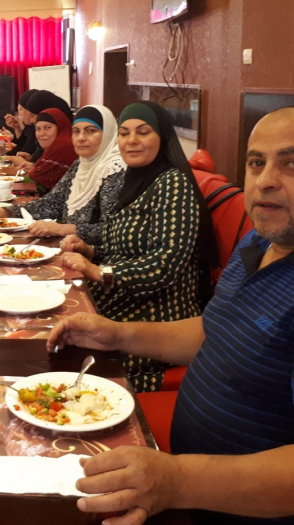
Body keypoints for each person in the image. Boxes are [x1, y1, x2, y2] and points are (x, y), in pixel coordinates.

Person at [47, 105, 294, 525]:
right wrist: (116, 334)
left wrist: (174, 481)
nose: (266, 181)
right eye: (256, 163)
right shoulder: (265, 241)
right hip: (197, 488)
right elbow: (214, 332)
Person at [55, 102, 217, 392]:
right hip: (121, 298)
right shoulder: (133, 180)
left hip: (159, 313)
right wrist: (90, 251)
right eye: (124, 133)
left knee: (70, 359)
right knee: (53, 324)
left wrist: (100, 271)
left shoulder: (173, 183)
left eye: (143, 132)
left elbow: (166, 264)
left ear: (162, 138)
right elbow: (123, 247)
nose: (131, 140)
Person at [0, 105, 126, 244]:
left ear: (108, 133)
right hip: (69, 247)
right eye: (76, 131)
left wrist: (61, 229)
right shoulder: (80, 164)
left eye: (91, 131)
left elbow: (113, 230)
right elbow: (53, 202)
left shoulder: (115, 170)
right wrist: (5, 212)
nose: (81, 137)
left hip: (94, 257)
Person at [9, 90, 73, 165]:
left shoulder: (66, 145)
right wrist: (31, 159)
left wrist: (30, 164)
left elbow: (49, 169)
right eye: (38, 129)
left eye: (33, 115)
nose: (32, 120)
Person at [21, 108, 79, 191]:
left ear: (60, 127)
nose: (41, 133)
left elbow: (33, 181)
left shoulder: (63, 145)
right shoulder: (56, 145)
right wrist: (35, 168)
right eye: (38, 129)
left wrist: (34, 172)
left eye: (47, 127)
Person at [1, 89, 39, 158]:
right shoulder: (29, 126)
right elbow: (22, 144)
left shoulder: (37, 128)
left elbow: (25, 152)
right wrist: (16, 128)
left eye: (21, 110)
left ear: (30, 110)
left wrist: (8, 152)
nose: (19, 114)